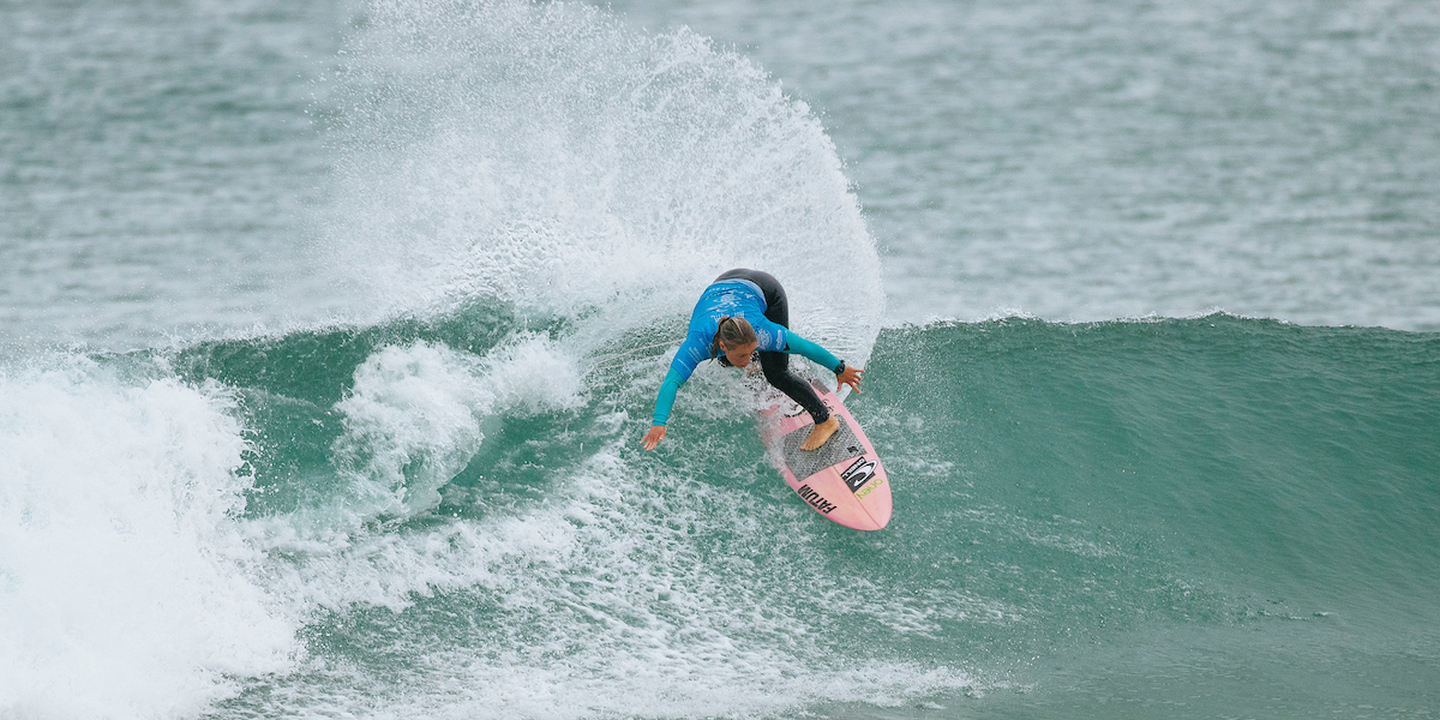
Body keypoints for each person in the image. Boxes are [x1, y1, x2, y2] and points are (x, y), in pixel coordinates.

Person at [641, 268, 865, 452]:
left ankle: (825, 421)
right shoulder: (698, 343)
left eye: (751, 353)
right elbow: (671, 382)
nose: (747, 360)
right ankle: (756, 357)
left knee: (776, 373)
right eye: (744, 355)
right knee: (725, 361)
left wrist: (840, 368)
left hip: (765, 290)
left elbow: (806, 348)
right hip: (722, 285)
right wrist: (659, 422)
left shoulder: (764, 331)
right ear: (721, 344)